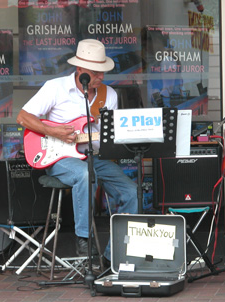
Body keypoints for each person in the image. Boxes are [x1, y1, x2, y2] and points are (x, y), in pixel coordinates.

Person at [16, 39, 138, 265]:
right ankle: (84, 238)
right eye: (96, 72)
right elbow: (23, 117)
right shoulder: (55, 88)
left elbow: (108, 136)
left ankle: (113, 257)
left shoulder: (108, 95)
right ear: (80, 70)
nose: (101, 77)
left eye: (103, 72)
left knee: (131, 191)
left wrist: (130, 137)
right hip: (59, 158)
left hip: (92, 156)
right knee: (84, 174)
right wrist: (54, 131)